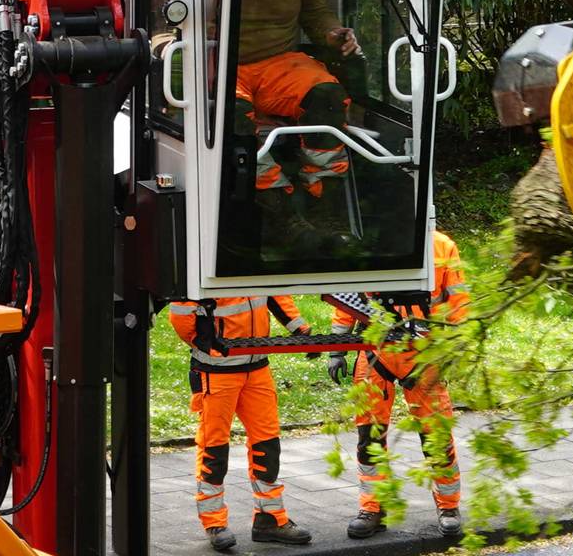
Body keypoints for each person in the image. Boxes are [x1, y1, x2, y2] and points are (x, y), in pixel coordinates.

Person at [325, 229, 471, 541]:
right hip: (377, 350)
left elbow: (457, 301)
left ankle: (448, 507)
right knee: (369, 436)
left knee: (436, 433)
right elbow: (349, 295)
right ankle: (372, 508)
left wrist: (454, 346)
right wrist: (337, 346)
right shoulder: (369, 241)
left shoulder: (442, 246)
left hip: (425, 352)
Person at [234, 0, 360, 197]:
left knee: (327, 94)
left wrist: (333, 33)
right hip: (223, 65)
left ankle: (325, 192)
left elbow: (315, 11)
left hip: (279, 62)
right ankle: (273, 200)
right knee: (230, 112)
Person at [168, 295, 316, 551]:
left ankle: (270, 519)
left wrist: (300, 329)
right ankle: (214, 522)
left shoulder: (250, 262)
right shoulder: (205, 261)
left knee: (268, 444)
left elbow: (275, 295)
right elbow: (181, 314)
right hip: (216, 370)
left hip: (257, 366)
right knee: (213, 448)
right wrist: (204, 343)